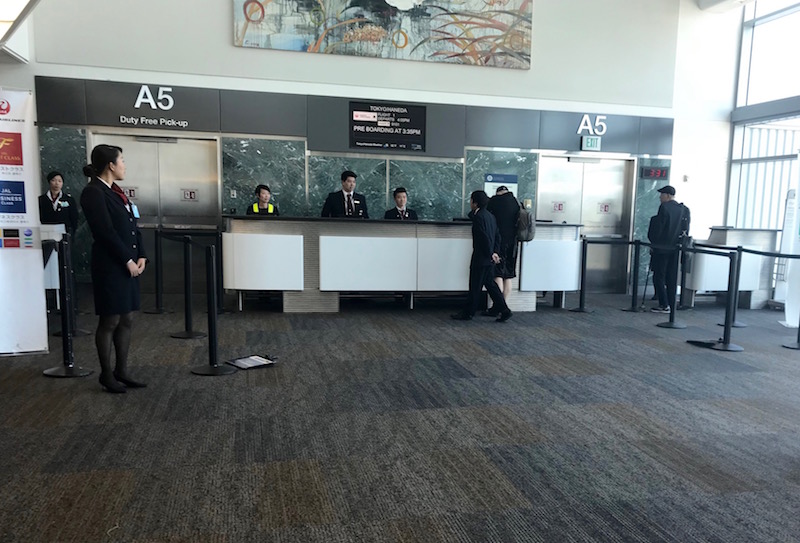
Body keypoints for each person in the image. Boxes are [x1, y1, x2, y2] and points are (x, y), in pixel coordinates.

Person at [80, 144, 147, 393]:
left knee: (127, 316)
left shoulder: (117, 191)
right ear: (111, 165)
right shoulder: (93, 192)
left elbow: (132, 224)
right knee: (110, 319)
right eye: (122, 160)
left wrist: (141, 254)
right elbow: (104, 232)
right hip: (111, 265)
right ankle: (106, 374)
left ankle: (122, 370)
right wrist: (127, 261)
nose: (124, 165)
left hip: (128, 263)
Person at [451, 190, 512, 322]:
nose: (470, 203)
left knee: (475, 286)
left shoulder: (479, 217)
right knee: (490, 285)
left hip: (481, 257)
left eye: (471, 200)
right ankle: (504, 309)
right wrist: (495, 253)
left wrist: (490, 253)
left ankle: (468, 313)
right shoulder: (490, 216)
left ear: (475, 202)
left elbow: (483, 238)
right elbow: (497, 236)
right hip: (489, 258)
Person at [647, 185, 690, 314]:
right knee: (671, 277)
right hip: (675, 249)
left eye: (661, 195)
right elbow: (686, 229)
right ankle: (672, 305)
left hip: (662, 248)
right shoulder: (684, 209)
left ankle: (663, 304)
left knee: (659, 276)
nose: (660, 197)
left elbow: (659, 229)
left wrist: (653, 243)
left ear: (668, 195)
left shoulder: (664, 208)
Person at [485, 185, 520, 312]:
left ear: (498, 192)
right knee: (508, 276)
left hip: (499, 242)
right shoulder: (515, 202)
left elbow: (486, 215)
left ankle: (498, 306)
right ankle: (503, 305)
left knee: (497, 274)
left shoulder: (495, 201)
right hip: (513, 243)